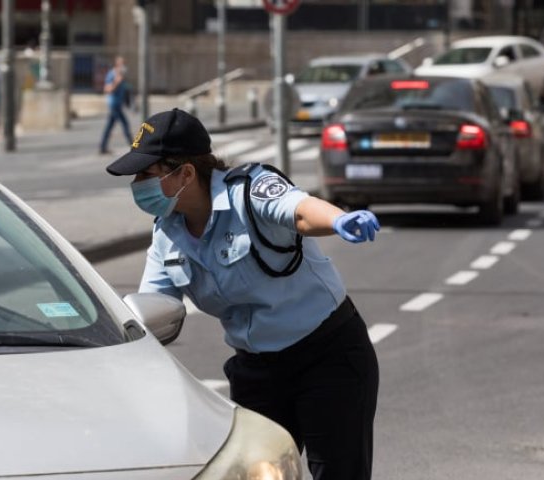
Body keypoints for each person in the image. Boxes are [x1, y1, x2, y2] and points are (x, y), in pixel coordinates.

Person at [106, 108, 381, 480]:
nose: (137, 185)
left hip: (327, 357)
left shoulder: (249, 191)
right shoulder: (166, 235)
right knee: (252, 473)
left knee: (337, 471)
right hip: (258, 372)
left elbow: (297, 210)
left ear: (185, 172)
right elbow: (154, 311)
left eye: (146, 174)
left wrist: (337, 220)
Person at [99, 56, 133, 155]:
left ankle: (103, 147)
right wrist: (116, 83)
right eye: (122, 64)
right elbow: (107, 89)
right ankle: (134, 146)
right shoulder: (112, 74)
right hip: (114, 105)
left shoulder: (121, 76)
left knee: (110, 126)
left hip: (118, 104)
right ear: (117, 65)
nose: (124, 66)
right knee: (125, 124)